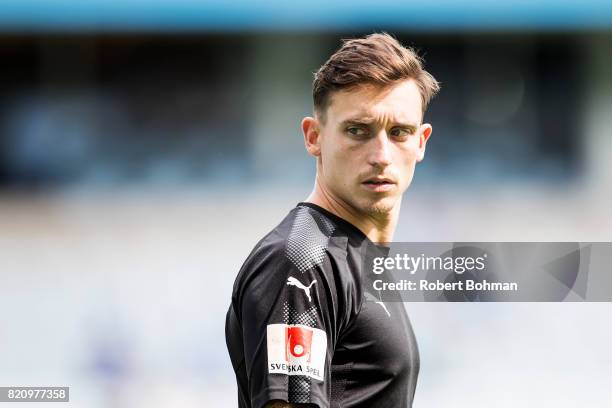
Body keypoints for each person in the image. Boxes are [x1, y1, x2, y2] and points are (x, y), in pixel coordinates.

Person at [225, 32, 440, 408]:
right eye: (358, 131)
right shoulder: (301, 261)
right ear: (314, 137)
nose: (381, 155)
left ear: (421, 142)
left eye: (399, 133)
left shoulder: (353, 256)